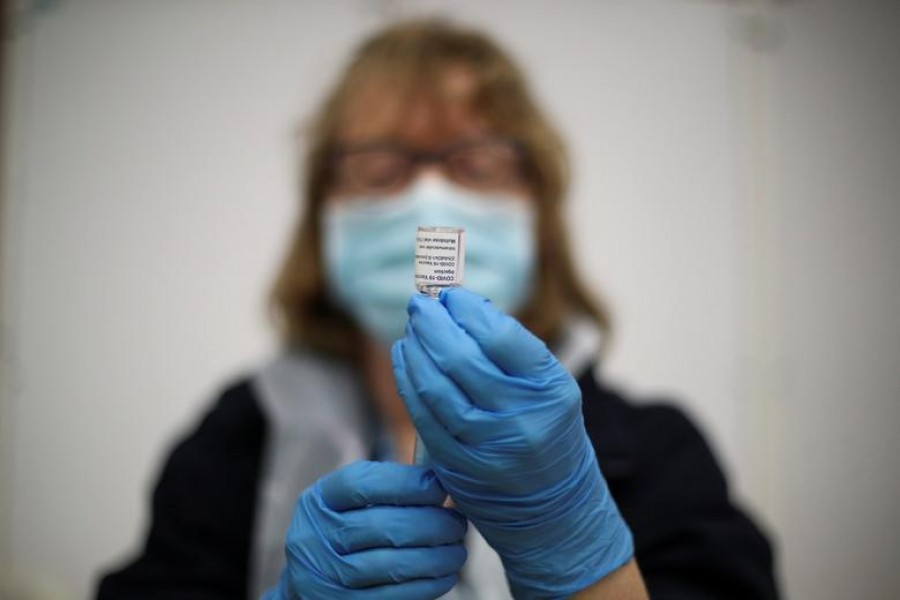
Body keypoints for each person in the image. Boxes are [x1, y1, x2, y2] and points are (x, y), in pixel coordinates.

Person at [96, 19, 779, 600]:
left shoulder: (657, 451)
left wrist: (586, 560)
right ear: (322, 215)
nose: (428, 197)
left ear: (538, 213)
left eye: (476, 162)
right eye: (379, 166)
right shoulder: (234, 441)